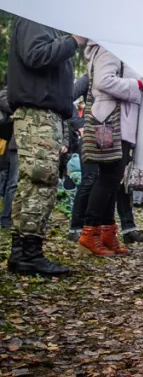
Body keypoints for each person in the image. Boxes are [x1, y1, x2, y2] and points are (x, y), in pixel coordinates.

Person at [6, 18, 86, 276]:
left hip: (43, 115)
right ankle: (29, 254)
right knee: (40, 183)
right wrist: (74, 41)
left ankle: (21, 253)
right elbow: (36, 56)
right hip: (38, 115)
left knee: (33, 184)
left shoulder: (42, 24)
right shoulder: (34, 20)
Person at [77, 42, 143, 256]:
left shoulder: (117, 50)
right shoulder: (109, 49)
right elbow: (103, 81)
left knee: (113, 179)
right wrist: (138, 84)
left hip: (120, 123)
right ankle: (89, 232)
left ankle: (106, 232)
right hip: (113, 123)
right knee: (108, 178)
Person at [0, 88, 19, 230]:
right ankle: (6, 217)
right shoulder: (7, 91)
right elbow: (7, 104)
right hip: (14, 141)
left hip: (18, 142)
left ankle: (19, 217)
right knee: (13, 181)